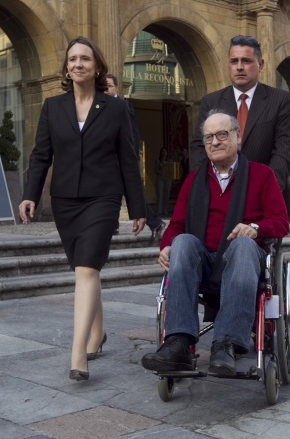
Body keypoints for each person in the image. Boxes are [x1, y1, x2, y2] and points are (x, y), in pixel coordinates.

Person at [19, 37, 146, 382]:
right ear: (66, 67)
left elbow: (128, 160)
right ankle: (97, 333)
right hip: (64, 201)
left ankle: (78, 355)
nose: (78, 64)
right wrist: (30, 194)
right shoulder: (52, 107)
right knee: (84, 269)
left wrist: (138, 207)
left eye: (85, 59)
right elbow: (41, 155)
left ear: (96, 66)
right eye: (72, 59)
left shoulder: (116, 108)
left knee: (87, 266)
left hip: (103, 198)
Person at [141, 110, 289, 376]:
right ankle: (178, 342)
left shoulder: (261, 175)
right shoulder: (194, 180)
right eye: (209, 137)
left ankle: (227, 343)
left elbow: (281, 222)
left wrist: (255, 228)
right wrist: (166, 245)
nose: (215, 141)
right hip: (205, 262)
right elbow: (176, 224)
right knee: (183, 241)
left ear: (238, 137)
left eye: (222, 134)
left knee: (243, 245)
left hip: (242, 263)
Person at [189, 34, 290, 221]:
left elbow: (284, 149)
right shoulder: (212, 101)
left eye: (246, 61)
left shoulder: (280, 100)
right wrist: (209, 189)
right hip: (218, 201)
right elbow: (199, 147)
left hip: (263, 202)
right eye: (234, 61)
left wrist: (265, 191)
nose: (239, 67)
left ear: (260, 64)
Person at [105, 74, 165, 243]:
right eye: (104, 86)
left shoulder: (124, 105)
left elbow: (132, 132)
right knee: (117, 191)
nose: (106, 89)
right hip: (109, 160)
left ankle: (154, 222)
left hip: (122, 160)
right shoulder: (100, 106)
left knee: (129, 192)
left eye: (109, 86)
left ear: (117, 88)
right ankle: (115, 224)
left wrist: (131, 156)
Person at [155, 147, 172, 216]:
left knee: (166, 194)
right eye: (163, 151)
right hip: (160, 178)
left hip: (168, 179)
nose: (164, 153)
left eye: (165, 151)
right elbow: (156, 170)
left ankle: (165, 210)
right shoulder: (157, 161)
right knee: (160, 194)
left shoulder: (169, 161)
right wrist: (163, 171)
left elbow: (171, 169)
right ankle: (159, 210)